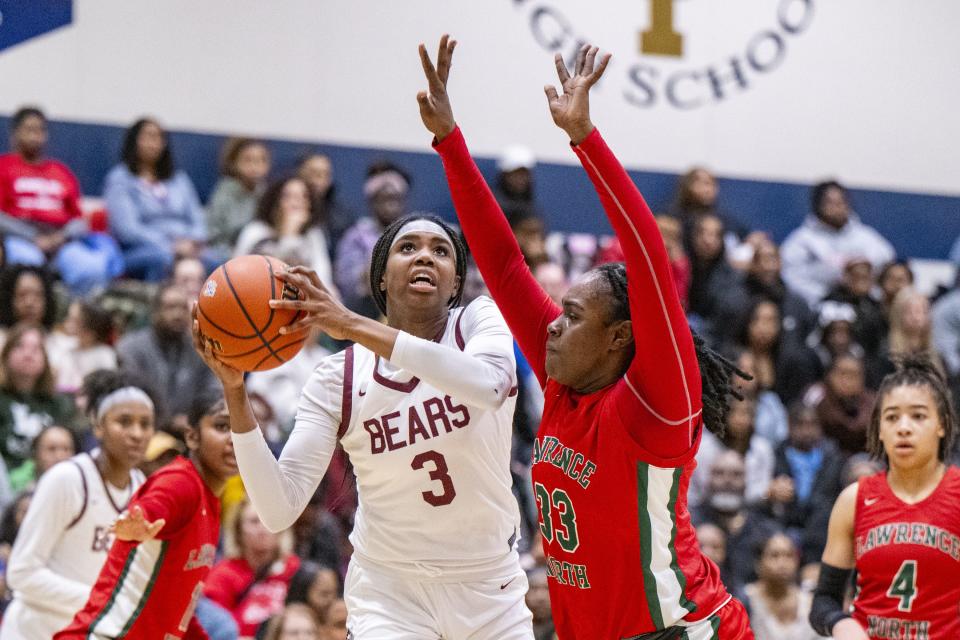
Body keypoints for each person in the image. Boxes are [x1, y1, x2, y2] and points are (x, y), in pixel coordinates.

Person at [420, 37, 752, 637]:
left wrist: (585, 139)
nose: (552, 322)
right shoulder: (563, 378)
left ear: (620, 336)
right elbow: (504, 266)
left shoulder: (656, 406)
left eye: (573, 316)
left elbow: (648, 255)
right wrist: (450, 143)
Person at [195, 207, 535, 637]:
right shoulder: (337, 377)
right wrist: (235, 391)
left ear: (454, 284)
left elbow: (489, 386)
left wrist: (350, 324)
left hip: (489, 585)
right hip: (390, 592)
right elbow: (279, 507)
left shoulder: (477, 323)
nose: (424, 256)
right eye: (407, 248)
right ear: (380, 277)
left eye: (441, 251)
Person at [55, 390, 238, 638]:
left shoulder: (211, 503)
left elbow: (178, 611)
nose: (236, 439)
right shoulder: (181, 482)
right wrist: (138, 526)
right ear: (192, 437)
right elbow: (153, 508)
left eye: (244, 429)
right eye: (222, 426)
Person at [811, 356, 960, 639]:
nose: (903, 427)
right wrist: (840, 623)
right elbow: (824, 600)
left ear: (941, 424)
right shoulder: (853, 499)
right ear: (879, 429)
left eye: (918, 416)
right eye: (891, 417)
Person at [1, 370, 154, 639]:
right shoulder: (67, 479)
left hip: (88, 630)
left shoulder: (141, 486)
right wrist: (103, 599)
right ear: (98, 426)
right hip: (34, 630)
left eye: (145, 423)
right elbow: (21, 573)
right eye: (124, 422)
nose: (136, 433)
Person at [0, 106, 123, 295]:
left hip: (61, 241)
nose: (35, 136)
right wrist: (33, 237)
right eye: (29, 130)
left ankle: (78, 319)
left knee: (91, 269)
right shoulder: (4, 167)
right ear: (15, 134)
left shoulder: (61, 172)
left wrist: (60, 238)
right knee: (29, 269)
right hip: (19, 239)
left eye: (40, 130)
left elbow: (80, 220)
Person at [105, 117, 209, 281]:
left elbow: (197, 219)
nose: (153, 143)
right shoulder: (120, 179)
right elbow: (128, 230)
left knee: (216, 260)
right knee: (162, 259)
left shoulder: (179, 179)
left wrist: (193, 242)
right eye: (147, 136)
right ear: (134, 141)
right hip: (141, 250)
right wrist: (171, 246)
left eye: (158, 137)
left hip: (186, 245)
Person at [116, 282, 219, 427]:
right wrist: (169, 421)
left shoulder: (201, 349)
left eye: (183, 308)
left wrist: (195, 418)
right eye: (170, 307)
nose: (178, 314)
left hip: (193, 429)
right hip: (145, 428)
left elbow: (212, 393)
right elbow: (132, 394)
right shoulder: (131, 347)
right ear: (155, 311)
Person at [780, 180, 895, 308]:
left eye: (841, 202)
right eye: (831, 202)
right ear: (818, 205)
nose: (837, 207)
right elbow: (791, 277)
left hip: (864, 305)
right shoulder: (803, 240)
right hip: (820, 306)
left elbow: (887, 260)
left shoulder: (864, 236)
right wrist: (824, 297)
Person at [204, 498, 300, 636]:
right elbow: (214, 626)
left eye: (268, 520)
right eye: (254, 521)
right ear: (238, 531)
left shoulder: (294, 569)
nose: (262, 528)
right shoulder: (222, 575)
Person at [234, 175, 337, 294]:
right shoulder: (256, 231)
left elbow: (322, 281)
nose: (296, 203)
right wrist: (289, 234)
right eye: (288, 196)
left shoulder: (313, 235)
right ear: (275, 203)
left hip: (301, 303)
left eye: (304, 197)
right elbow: (269, 276)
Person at [334, 160, 411, 318]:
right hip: (363, 312)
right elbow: (348, 288)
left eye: (395, 198)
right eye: (383, 198)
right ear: (372, 202)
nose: (390, 204)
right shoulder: (356, 236)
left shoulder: (414, 233)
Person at [0, 323, 74, 469]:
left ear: (45, 360)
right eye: (19, 346)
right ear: (6, 354)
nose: (28, 354)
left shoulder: (59, 403)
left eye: (36, 349)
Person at [744, 532, 819, 640]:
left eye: (789, 555)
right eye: (774, 556)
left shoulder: (810, 602)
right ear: (758, 563)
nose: (783, 563)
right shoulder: (745, 601)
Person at [206, 137, 271, 256]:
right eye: (248, 160)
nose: (255, 166)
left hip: (258, 252)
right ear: (233, 163)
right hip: (225, 251)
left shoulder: (266, 193)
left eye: (261, 160)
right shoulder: (225, 191)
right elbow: (214, 234)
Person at [297, 152, 355, 252]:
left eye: (325, 174)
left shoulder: (342, 216)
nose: (319, 180)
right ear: (301, 174)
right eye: (314, 173)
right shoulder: (287, 209)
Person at [7, 423, 76, 493]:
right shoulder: (14, 484)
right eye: (51, 449)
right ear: (36, 454)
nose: (60, 456)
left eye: (66, 449)